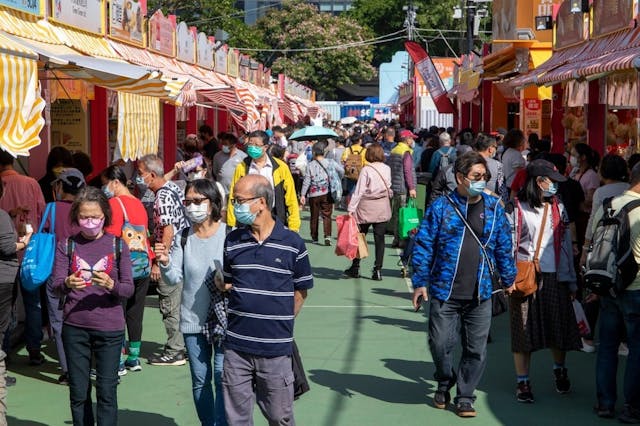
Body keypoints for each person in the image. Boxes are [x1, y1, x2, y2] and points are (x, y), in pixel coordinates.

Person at [411, 151, 517, 418]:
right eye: (476, 176)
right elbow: (424, 244)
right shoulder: (441, 207)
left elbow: (504, 246)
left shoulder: (494, 209)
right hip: (444, 290)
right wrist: (420, 281)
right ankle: (445, 379)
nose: (483, 181)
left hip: (480, 292)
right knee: (439, 343)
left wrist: (508, 278)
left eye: (485, 177)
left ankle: (465, 395)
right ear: (459, 178)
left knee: (475, 348)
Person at [218, 175, 313, 425]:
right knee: (236, 419)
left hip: (275, 350)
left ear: (261, 202)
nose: (235, 206)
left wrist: (279, 323)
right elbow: (229, 281)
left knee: (279, 417)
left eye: (239, 200)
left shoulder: (292, 244)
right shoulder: (233, 241)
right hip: (236, 348)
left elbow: (301, 291)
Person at [52, 187, 134, 426]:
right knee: (78, 392)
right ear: (76, 216)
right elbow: (56, 285)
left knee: (107, 392)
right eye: (84, 217)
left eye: (95, 217)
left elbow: (128, 289)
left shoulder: (118, 245)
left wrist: (111, 284)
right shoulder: (66, 245)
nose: (90, 222)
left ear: (105, 217)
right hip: (74, 328)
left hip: (110, 329)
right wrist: (67, 283)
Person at [510, 159, 581, 404]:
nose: (556, 187)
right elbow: (509, 245)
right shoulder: (516, 207)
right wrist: (508, 277)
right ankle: (523, 382)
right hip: (524, 275)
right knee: (522, 331)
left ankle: (559, 368)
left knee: (558, 327)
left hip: (555, 275)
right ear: (539, 182)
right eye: (552, 182)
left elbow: (563, 244)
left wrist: (571, 280)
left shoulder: (557, 206)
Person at [157, 179, 227, 426]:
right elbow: (175, 276)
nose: (192, 206)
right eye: (188, 202)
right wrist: (165, 262)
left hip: (224, 321)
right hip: (192, 320)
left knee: (222, 378)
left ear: (212, 203)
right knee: (200, 379)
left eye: (198, 201)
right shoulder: (184, 237)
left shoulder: (229, 234)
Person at [589, 164, 640, 422]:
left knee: (607, 347)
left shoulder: (608, 204)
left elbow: (591, 241)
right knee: (637, 349)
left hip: (608, 285)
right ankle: (632, 406)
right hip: (636, 288)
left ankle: (605, 403)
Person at [136, 154, 189, 366]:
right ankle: (180, 346)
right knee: (177, 302)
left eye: (140, 175)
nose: (138, 179)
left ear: (151, 175)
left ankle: (175, 350)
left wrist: (159, 261)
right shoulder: (172, 188)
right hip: (180, 252)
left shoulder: (162, 197)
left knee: (169, 302)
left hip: (171, 255)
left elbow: (168, 229)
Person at [102, 165, 152, 373]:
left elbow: (111, 236)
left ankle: (118, 360)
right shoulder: (138, 203)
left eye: (105, 183)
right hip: (143, 264)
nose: (104, 188)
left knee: (117, 312)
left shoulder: (114, 203)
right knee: (135, 312)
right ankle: (134, 357)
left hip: (122, 266)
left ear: (115, 182)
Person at [0, 149, 46, 365]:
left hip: (4, 260)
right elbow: (42, 213)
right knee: (33, 303)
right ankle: (35, 350)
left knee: (5, 309)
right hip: (30, 255)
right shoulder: (31, 183)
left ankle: (5, 354)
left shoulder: (3, 185)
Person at [580, 154, 629, 353]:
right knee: (622, 289)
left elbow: (594, 220)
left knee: (596, 287)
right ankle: (623, 341)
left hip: (603, 246)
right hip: (626, 246)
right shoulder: (629, 189)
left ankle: (589, 338)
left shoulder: (601, 192)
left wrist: (585, 249)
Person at [42, 168, 85, 384]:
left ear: (60, 187)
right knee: (84, 315)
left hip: (54, 271)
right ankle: (85, 363)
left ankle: (68, 370)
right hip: (83, 269)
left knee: (58, 320)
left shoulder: (51, 209)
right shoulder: (85, 211)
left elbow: (43, 234)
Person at [227, 131, 300, 232]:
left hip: (274, 217)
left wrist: (294, 226)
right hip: (248, 218)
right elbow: (233, 194)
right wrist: (231, 222)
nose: (252, 147)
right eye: (250, 144)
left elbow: (291, 198)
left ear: (266, 147)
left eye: (257, 145)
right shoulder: (242, 167)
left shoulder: (280, 167)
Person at [0, 177, 33, 393]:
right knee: (2, 327)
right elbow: (6, 247)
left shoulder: (4, 216)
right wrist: (25, 240)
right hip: (3, 278)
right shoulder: (0, 216)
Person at [343, 143, 393, 281]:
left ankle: (356, 266)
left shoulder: (366, 170)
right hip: (382, 206)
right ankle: (378, 269)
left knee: (360, 237)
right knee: (380, 239)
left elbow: (359, 191)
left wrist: (351, 208)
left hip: (366, 207)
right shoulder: (387, 169)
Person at [300, 141, 344, 246]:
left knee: (314, 216)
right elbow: (341, 170)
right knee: (327, 215)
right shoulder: (330, 162)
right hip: (327, 192)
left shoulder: (310, 165)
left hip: (313, 194)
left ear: (314, 153)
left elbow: (307, 181)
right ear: (324, 152)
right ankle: (327, 236)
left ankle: (314, 237)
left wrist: (303, 194)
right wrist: (338, 178)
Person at [389, 130, 417, 248]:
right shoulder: (406, 152)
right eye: (411, 138)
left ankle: (396, 239)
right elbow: (407, 171)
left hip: (395, 185)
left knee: (397, 214)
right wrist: (411, 187)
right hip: (403, 187)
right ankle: (402, 239)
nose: (413, 140)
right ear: (407, 139)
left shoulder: (394, 150)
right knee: (404, 214)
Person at [475, 135, 508, 202]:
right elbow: (502, 190)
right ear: (490, 149)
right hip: (489, 203)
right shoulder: (497, 165)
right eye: (495, 147)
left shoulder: (466, 161)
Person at [213, 133, 247, 197]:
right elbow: (215, 172)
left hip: (236, 192)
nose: (223, 146)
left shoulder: (243, 156)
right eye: (222, 144)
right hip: (221, 192)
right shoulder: (217, 156)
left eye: (226, 144)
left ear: (233, 145)